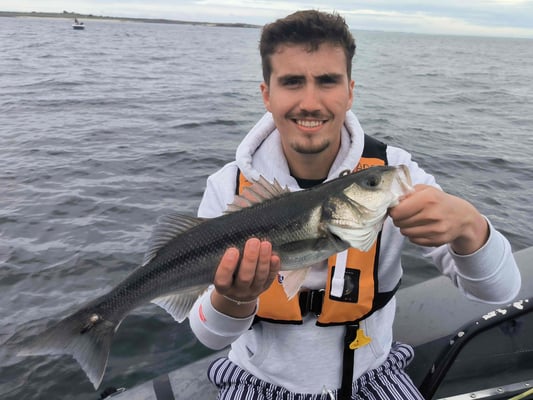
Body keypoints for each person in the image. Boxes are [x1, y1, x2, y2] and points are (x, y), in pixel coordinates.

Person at [189, 10, 521, 400]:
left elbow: (500, 291)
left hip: (373, 375)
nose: (310, 102)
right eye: (292, 82)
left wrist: (470, 228)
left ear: (350, 91)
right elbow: (208, 336)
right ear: (267, 94)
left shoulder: (393, 174)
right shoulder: (228, 186)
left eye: (327, 81)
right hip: (256, 380)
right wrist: (235, 297)